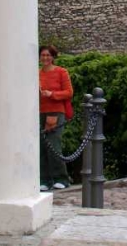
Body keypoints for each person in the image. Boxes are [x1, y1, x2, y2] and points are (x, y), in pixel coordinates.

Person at [38, 44, 73, 191]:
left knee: (53, 145)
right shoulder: (37, 73)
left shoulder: (61, 72)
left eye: (48, 55)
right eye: (43, 55)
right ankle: (45, 179)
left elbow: (69, 92)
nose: (45, 58)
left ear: (53, 57)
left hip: (56, 112)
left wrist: (52, 94)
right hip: (39, 112)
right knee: (41, 147)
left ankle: (61, 178)